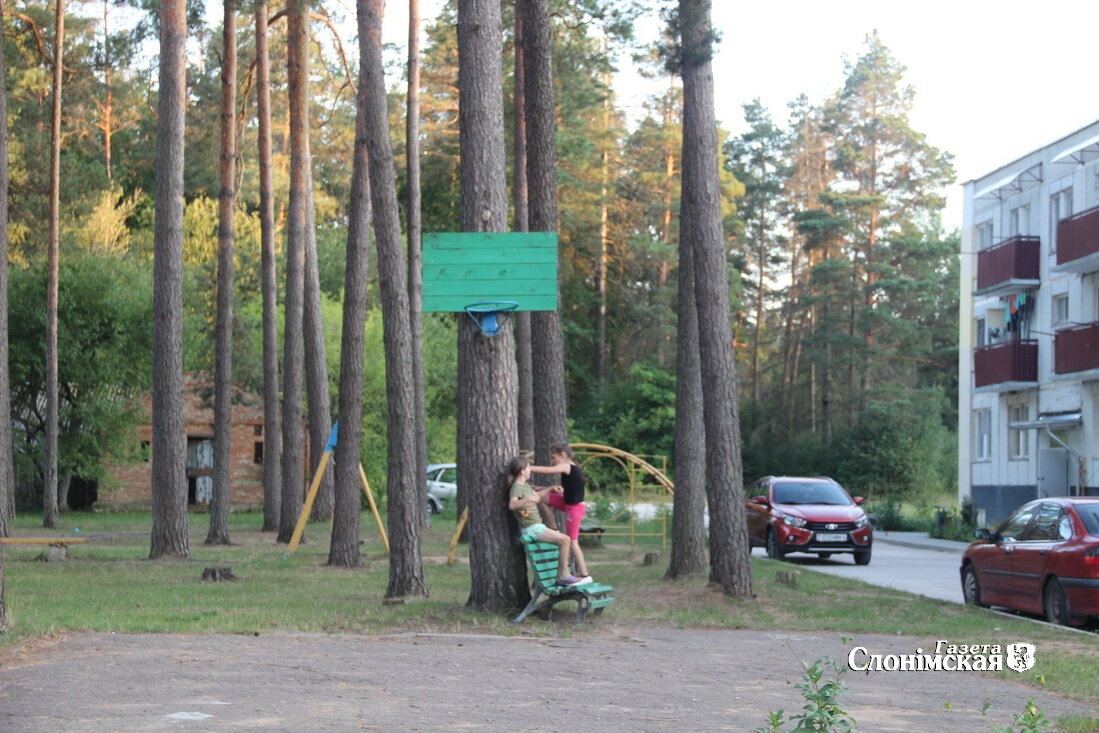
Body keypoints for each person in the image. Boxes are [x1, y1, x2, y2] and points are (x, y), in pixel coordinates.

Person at [504, 456, 579, 587]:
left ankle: (563, 574)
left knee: (564, 540)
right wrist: (527, 500)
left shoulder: (524, 485)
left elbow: (537, 498)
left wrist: (551, 488)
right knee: (565, 540)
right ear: (522, 471)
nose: (529, 470)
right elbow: (512, 505)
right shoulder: (516, 487)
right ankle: (563, 575)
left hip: (538, 526)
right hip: (531, 528)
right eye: (528, 467)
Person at [529, 442, 593, 586]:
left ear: (562, 455)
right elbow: (568, 490)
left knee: (573, 541)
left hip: (574, 509)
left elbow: (546, 470)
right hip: (567, 502)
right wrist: (542, 488)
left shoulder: (567, 466)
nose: (552, 461)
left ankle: (585, 574)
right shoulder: (571, 468)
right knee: (542, 497)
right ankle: (552, 527)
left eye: (553, 458)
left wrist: (527, 467)